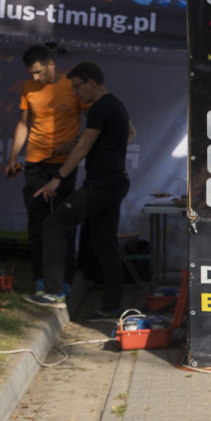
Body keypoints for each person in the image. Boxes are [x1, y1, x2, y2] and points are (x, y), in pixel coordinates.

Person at [25, 62, 136, 319]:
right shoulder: (116, 105)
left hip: (101, 186)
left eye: (77, 87)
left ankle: (53, 291)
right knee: (104, 243)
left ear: (91, 83)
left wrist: (57, 178)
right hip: (115, 182)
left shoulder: (100, 107)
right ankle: (111, 306)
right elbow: (129, 133)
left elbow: (83, 148)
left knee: (54, 223)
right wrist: (99, 146)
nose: (75, 93)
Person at [7, 45, 87, 295]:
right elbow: (23, 124)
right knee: (38, 223)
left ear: (51, 65)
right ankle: (40, 278)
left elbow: (95, 122)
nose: (35, 78)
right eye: (31, 73)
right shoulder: (28, 88)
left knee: (63, 221)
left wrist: (75, 142)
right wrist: (12, 157)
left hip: (64, 165)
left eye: (39, 72)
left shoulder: (72, 86)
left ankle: (65, 279)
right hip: (35, 163)